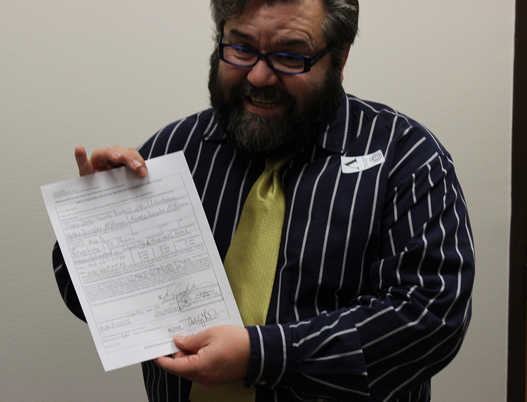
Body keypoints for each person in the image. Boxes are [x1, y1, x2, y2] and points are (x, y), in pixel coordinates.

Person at [52, 0, 475, 400]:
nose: (258, 77)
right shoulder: (171, 151)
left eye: (290, 56)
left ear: (339, 59)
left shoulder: (406, 157)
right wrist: (98, 224)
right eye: (241, 49)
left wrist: (261, 356)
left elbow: (430, 318)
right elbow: (91, 302)